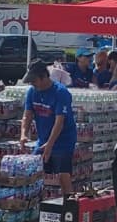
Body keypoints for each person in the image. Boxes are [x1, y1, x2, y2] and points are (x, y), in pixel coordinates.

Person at [20, 59, 77, 195]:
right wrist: (23, 134)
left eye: (34, 80)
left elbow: (59, 122)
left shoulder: (61, 93)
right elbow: (27, 116)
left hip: (63, 139)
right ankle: (38, 203)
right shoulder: (32, 92)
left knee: (63, 173)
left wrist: (50, 144)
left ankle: (68, 204)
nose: (32, 84)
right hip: (43, 138)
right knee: (35, 171)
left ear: (44, 77)